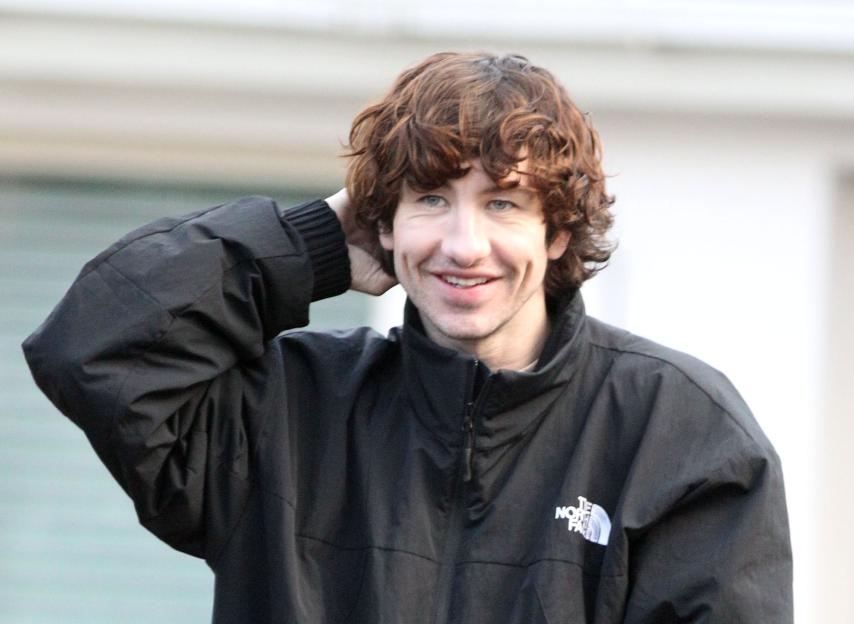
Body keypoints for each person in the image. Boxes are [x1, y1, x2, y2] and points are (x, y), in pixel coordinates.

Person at [23, 52, 792, 623]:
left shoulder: (680, 435)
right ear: (381, 224)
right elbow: (94, 346)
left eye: (502, 204)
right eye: (431, 198)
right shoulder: (282, 410)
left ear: (557, 232)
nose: (463, 244)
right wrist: (311, 240)